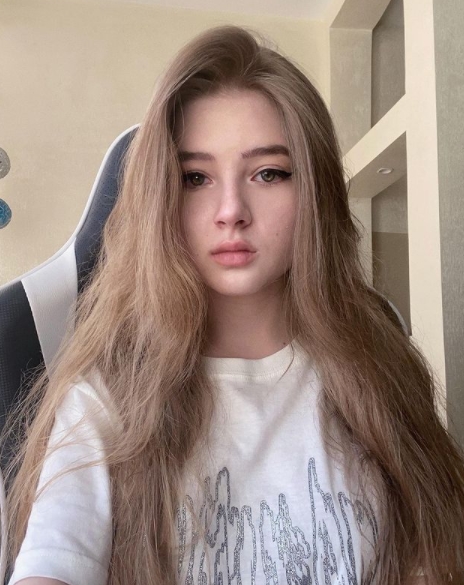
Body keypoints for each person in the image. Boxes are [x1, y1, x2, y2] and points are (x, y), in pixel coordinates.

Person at [3, 24, 464, 585]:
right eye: (195, 178)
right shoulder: (106, 400)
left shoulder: (382, 371)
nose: (230, 211)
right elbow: (54, 563)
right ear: (160, 199)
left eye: (268, 173)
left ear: (314, 191)